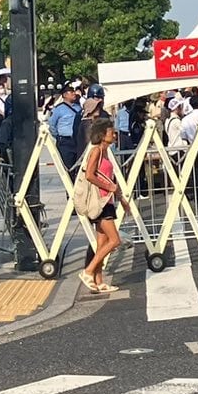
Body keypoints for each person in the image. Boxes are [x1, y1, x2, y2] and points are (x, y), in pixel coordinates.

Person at [77, 119, 123, 296]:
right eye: (111, 132)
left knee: (102, 243)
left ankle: (99, 280)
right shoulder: (96, 151)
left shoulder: (105, 152)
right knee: (115, 240)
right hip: (100, 202)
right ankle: (88, 271)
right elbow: (89, 175)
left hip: (107, 200)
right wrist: (109, 187)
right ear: (103, 135)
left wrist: (119, 197)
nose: (114, 134)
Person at [48, 83, 83, 173]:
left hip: (78, 140)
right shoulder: (58, 109)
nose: (74, 93)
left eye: (74, 91)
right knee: (68, 168)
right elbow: (52, 125)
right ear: (64, 95)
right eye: (71, 92)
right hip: (65, 141)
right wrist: (59, 137)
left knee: (79, 168)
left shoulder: (78, 108)